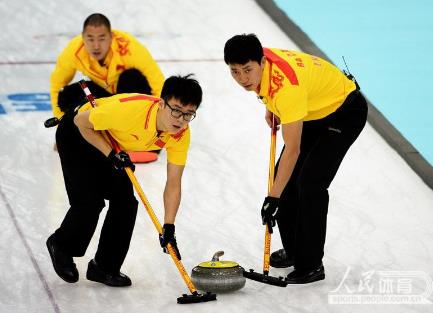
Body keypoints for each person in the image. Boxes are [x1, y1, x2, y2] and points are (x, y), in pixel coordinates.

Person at [224, 34, 367, 284]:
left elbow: (293, 150)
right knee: (288, 183)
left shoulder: (286, 90)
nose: (242, 78)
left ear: (261, 62)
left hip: (344, 113)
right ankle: (295, 252)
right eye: (235, 72)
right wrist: (272, 106)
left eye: (247, 70)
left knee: (310, 184)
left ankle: (311, 265)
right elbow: (273, 87)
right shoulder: (263, 60)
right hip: (314, 109)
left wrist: (272, 198)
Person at [46, 74, 202, 287]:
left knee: (126, 204)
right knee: (90, 202)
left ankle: (104, 266)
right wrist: (111, 155)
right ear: (162, 103)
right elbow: (80, 123)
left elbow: (174, 182)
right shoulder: (130, 111)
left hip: (111, 143)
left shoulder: (180, 135)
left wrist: (169, 226)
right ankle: (61, 244)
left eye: (188, 114)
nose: (180, 120)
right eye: (176, 110)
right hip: (77, 135)